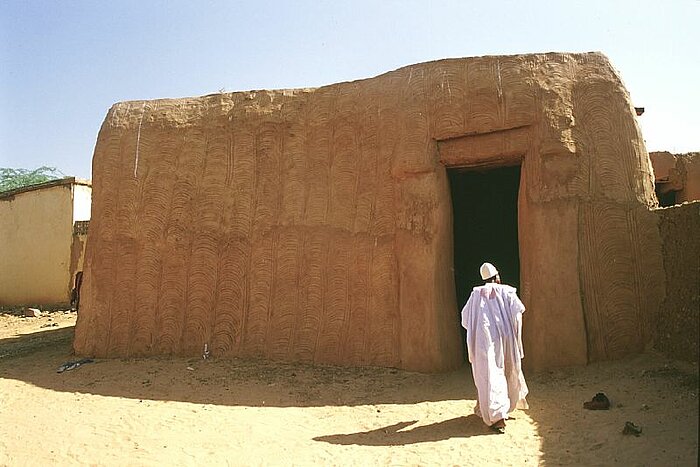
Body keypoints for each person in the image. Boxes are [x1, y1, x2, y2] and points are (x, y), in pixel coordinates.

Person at [461, 262, 529, 434]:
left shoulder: (476, 294)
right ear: (497, 276)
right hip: (504, 339)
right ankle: (499, 417)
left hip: (484, 342)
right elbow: (518, 313)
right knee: (506, 371)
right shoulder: (507, 291)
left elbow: (465, 318)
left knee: (489, 375)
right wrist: (514, 335)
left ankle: (496, 412)